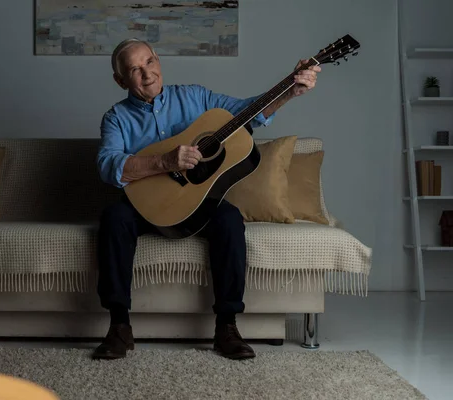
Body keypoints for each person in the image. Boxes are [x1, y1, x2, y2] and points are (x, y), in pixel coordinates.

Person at [94, 39, 320, 360]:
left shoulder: (197, 98)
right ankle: (119, 327)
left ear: (158, 60)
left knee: (229, 219)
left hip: (198, 203)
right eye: (134, 69)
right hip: (145, 205)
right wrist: (163, 162)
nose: (146, 73)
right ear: (121, 81)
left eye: (149, 62)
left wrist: (288, 91)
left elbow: (248, 112)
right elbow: (107, 165)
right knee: (114, 218)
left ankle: (226, 327)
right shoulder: (116, 118)